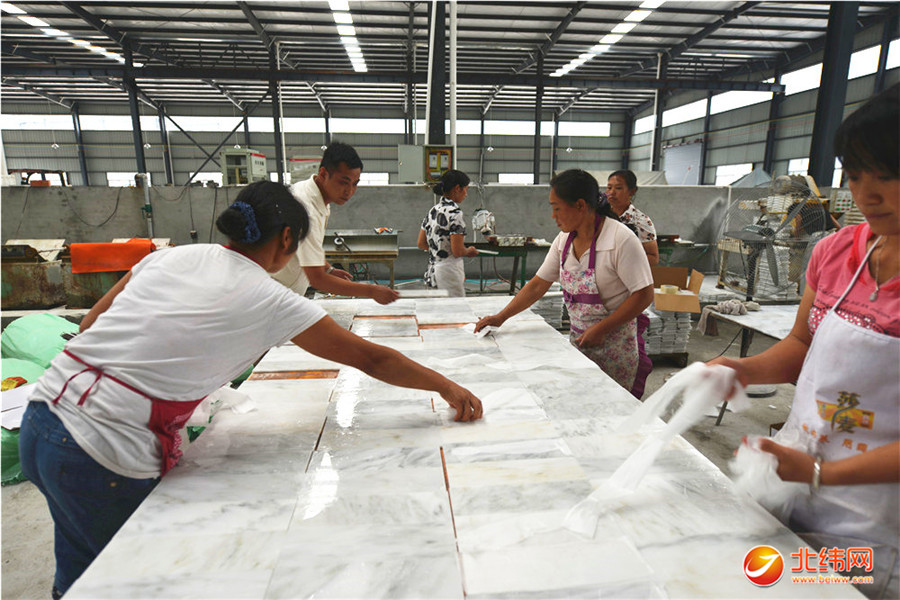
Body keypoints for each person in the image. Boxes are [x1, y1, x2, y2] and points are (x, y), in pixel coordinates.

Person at [19, 181, 483, 599]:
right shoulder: (268, 297)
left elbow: (91, 323)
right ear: (286, 239)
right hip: (102, 449)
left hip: (41, 417)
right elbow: (371, 358)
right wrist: (445, 385)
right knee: (137, 579)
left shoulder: (173, 256)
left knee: (83, 567)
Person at [710, 85, 899, 597]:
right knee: (769, 581)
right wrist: (743, 370)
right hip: (794, 485)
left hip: (877, 520)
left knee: (840, 589)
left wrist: (820, 472)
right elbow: (801, 343)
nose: (867, 195)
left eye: (886, 175)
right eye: (855, 175)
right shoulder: (836, 252)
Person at [475, 169, 654, 390]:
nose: (553, 216)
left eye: (557, 208)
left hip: (615, 348)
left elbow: (644, 295)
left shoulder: (620, 239)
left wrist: (602, 329)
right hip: (579, 344)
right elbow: (537, 285)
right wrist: (500, 317)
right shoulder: (563, 241)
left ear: (580, 205)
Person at [272, 141, 399, 305]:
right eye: (344, 182)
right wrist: (371, 291)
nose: (349, 191)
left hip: (285, 294)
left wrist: (328, 269)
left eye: (355, 184)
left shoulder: (316, 197)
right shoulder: (307, 210)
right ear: (323, 174)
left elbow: (308, 249)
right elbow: (317, 280)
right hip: (274, 296)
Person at [607, 169, 658, 399]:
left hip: (628, 290)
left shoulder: (640, 221)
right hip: (603, 288)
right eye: (609, 187)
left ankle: (630, 398)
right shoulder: (601, 215)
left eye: (618, 188)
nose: (611, 192)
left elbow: (653, 257)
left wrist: (622, 263)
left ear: (632, 192)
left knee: (634, 355)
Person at [417, 169, 478, 297]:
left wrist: (438, 250)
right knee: (454, 308)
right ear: (457, 189)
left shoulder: (433, 211)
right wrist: (469, 251)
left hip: (433, 271)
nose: (466, 194)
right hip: (449, 272)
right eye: (466, 189)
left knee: (436, 308)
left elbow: (421, 243)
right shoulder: (455, 213)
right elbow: (458, 251)